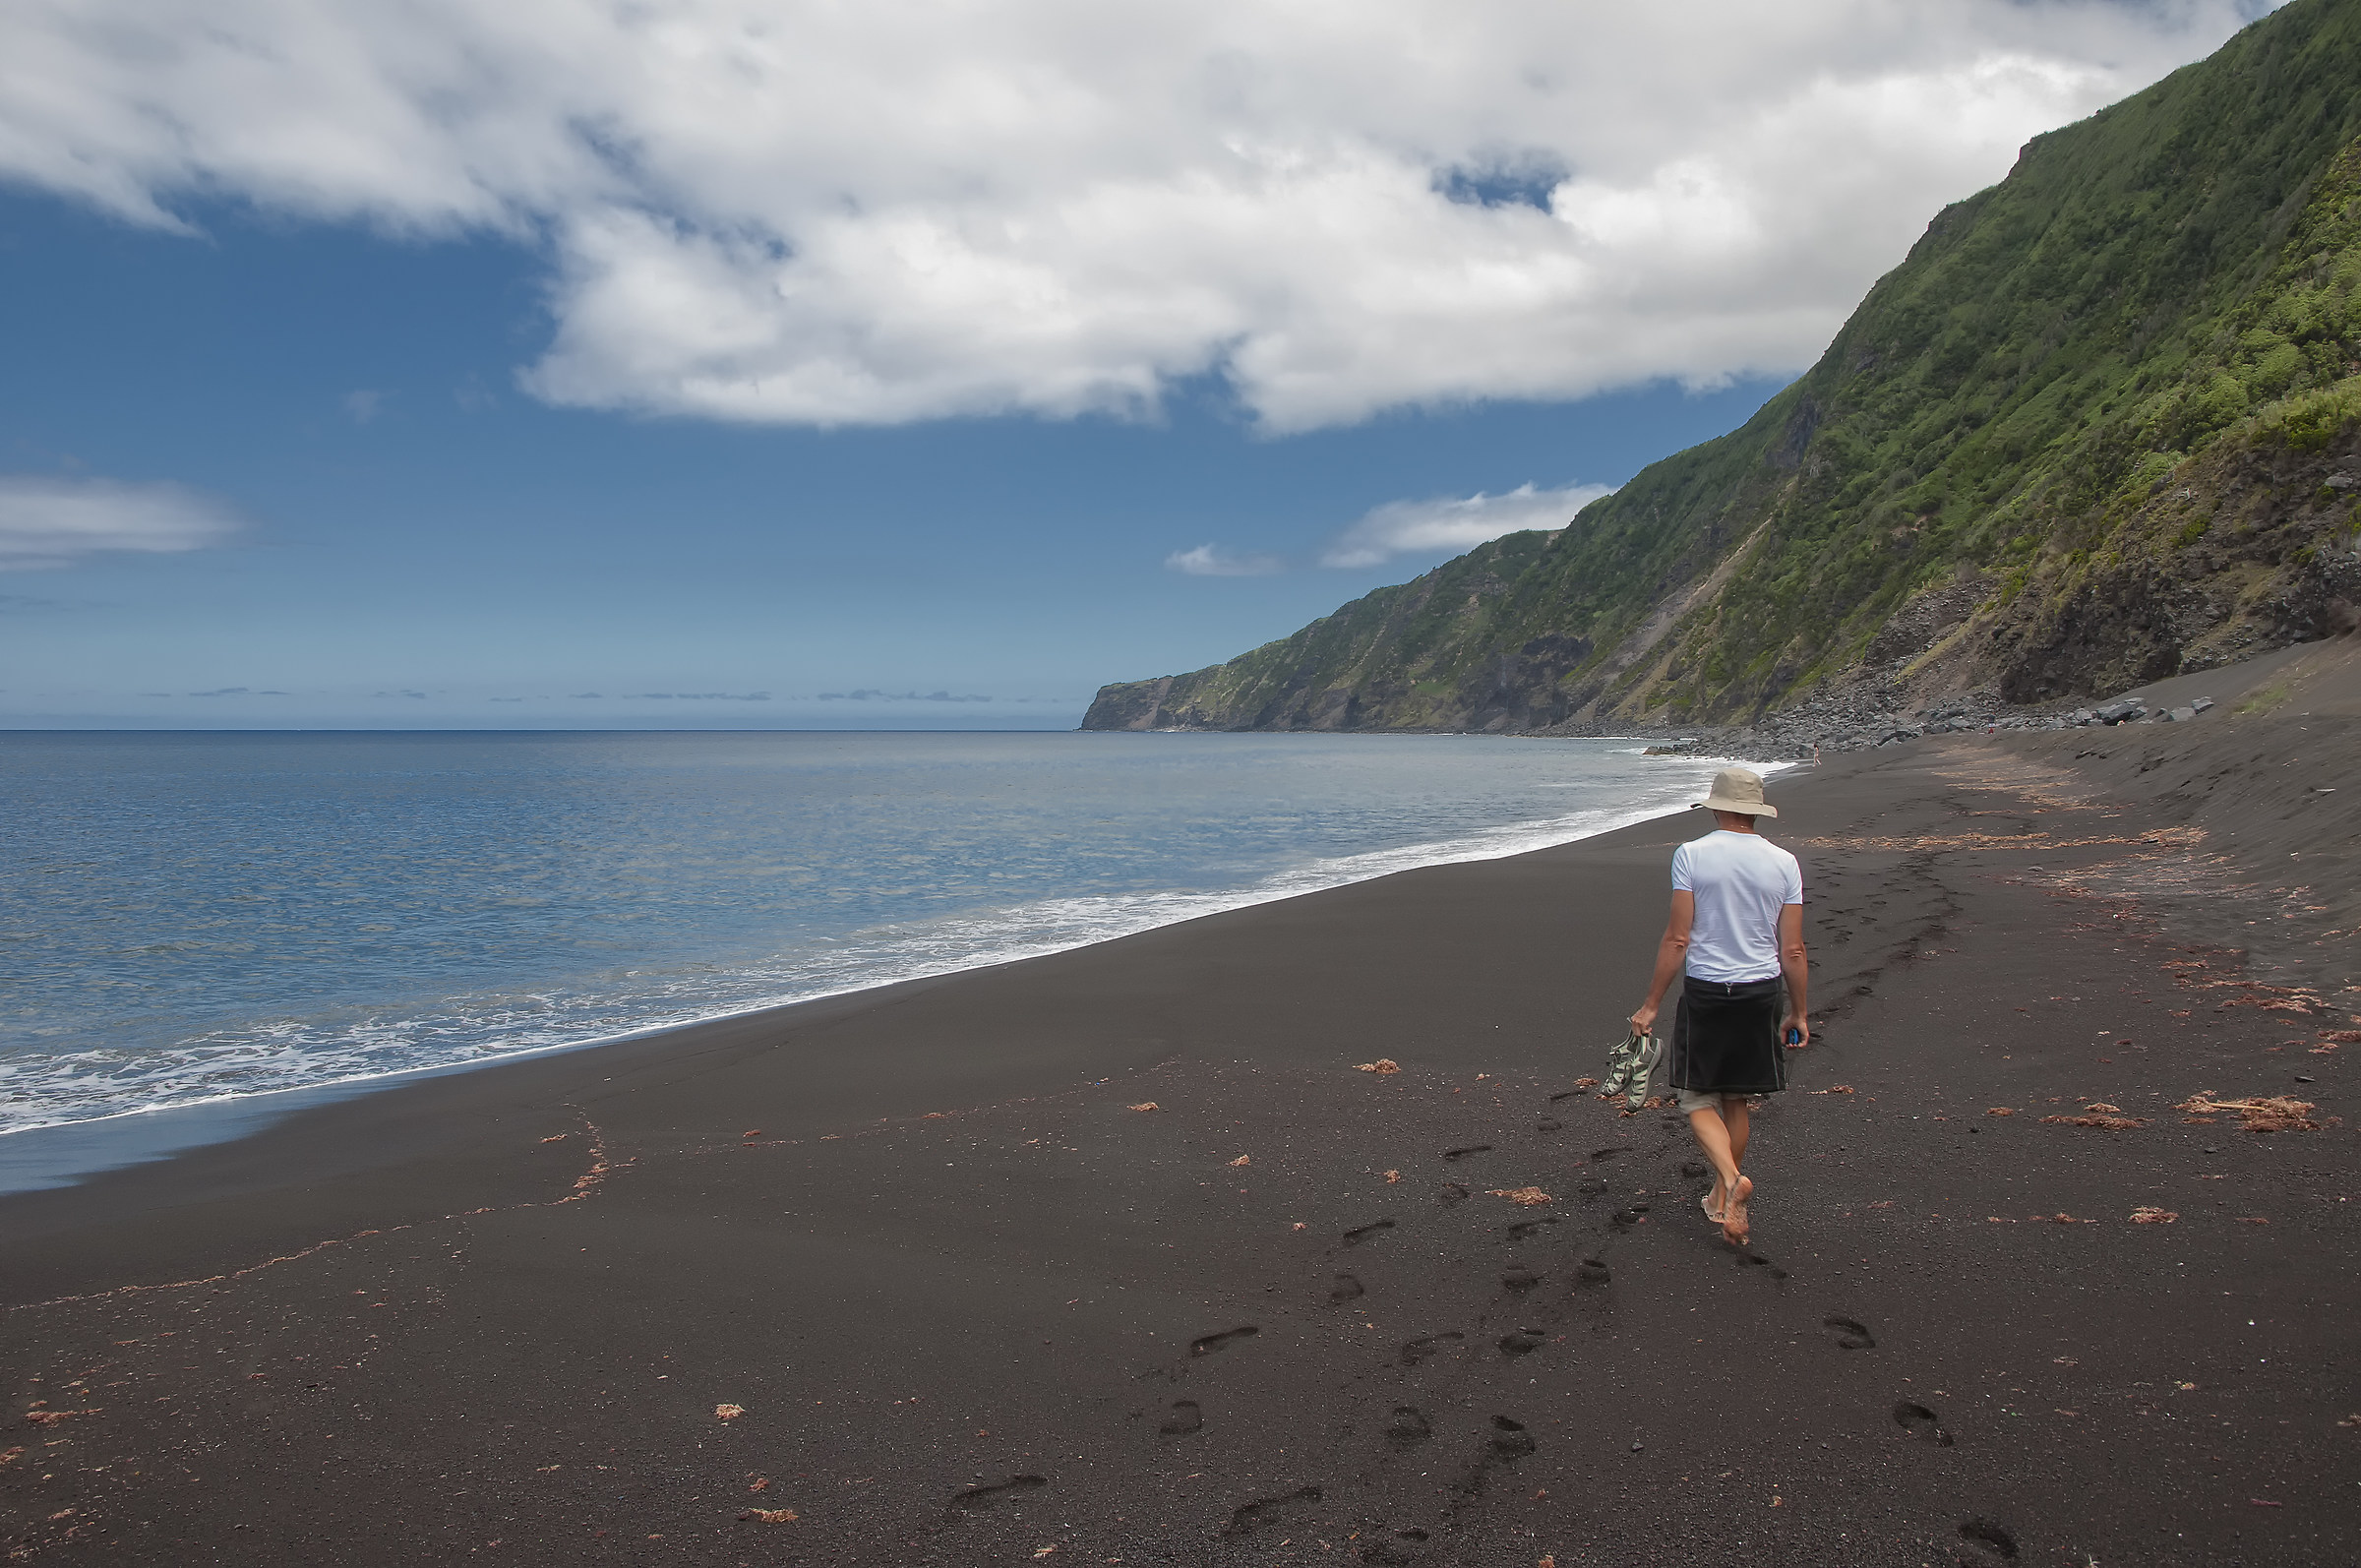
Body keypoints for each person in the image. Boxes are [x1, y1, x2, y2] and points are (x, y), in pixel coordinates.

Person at [1627, 767, 1808, 1245]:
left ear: (1716, 808)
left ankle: (1730, 1180)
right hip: (1761, 989)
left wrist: (1650, 1005)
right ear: (1756, 811)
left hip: (1709, 989)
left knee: (1695, 1098)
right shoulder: (1785, 862)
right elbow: (1792, 949)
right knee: (1735, 1097)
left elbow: (1678, 938)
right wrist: (1799, 1012)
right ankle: (1720, 1198)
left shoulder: (1692, 854)